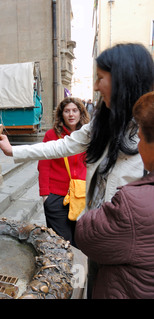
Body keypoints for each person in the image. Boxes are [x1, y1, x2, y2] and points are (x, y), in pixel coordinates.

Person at [0, 42, 154, 298]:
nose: (96, 86)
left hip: (130, 247)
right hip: (100, 235)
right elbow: (62, 146)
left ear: (125, 79)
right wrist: (12, 150)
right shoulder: (102, 122)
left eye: (101, 78)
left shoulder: (147, 132)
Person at [75, 91, 154, 299]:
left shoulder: (133, 201)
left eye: (142, 138)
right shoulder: (101, 129)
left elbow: (86, 234)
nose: (137, 145)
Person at [38, 97, 89, 246]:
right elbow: (44, 165)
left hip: (81, 196)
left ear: (80, 113)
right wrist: (45, 195)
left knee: (81, 240)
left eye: (74, 110)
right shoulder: (51, 135)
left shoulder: (88, 135)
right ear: (61, 115)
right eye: (67, 111)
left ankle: (79, 269)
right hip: (57, 195)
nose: (71, 114)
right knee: (60, 242)